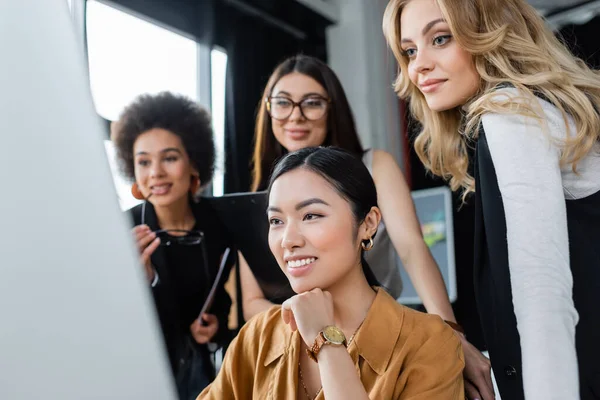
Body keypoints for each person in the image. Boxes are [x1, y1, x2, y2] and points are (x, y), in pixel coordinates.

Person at [238, 54, 492, 397]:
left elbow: (412, 248)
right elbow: (251, 298)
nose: (295, 115)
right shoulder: (259, 195)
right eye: (282, 103)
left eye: (311, 103)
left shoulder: (374, 165)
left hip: (382, 331)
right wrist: (302, 324)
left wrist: (450, 334)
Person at [383, 0, 600, 399]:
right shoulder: (529, 107)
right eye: (410, 51)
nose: (419, 67)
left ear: (490, 34)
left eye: (441, 38)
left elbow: (543, 297)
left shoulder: (510, 113)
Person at [198, 146, 465, 399]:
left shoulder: (429, 343)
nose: (288, 240)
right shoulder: (258, 336)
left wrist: (325, 339)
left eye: (311, 216)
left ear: (368, 224)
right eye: (276, 221)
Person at [112, 92, 233, 400]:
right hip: (138, 377)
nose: (155, 173)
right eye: (144, 162)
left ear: (194, 163)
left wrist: (215, 325)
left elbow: (223, 298)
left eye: (169, 158)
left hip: (201, 380)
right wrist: (146, 280)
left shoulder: (217, 224)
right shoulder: (121, 232)